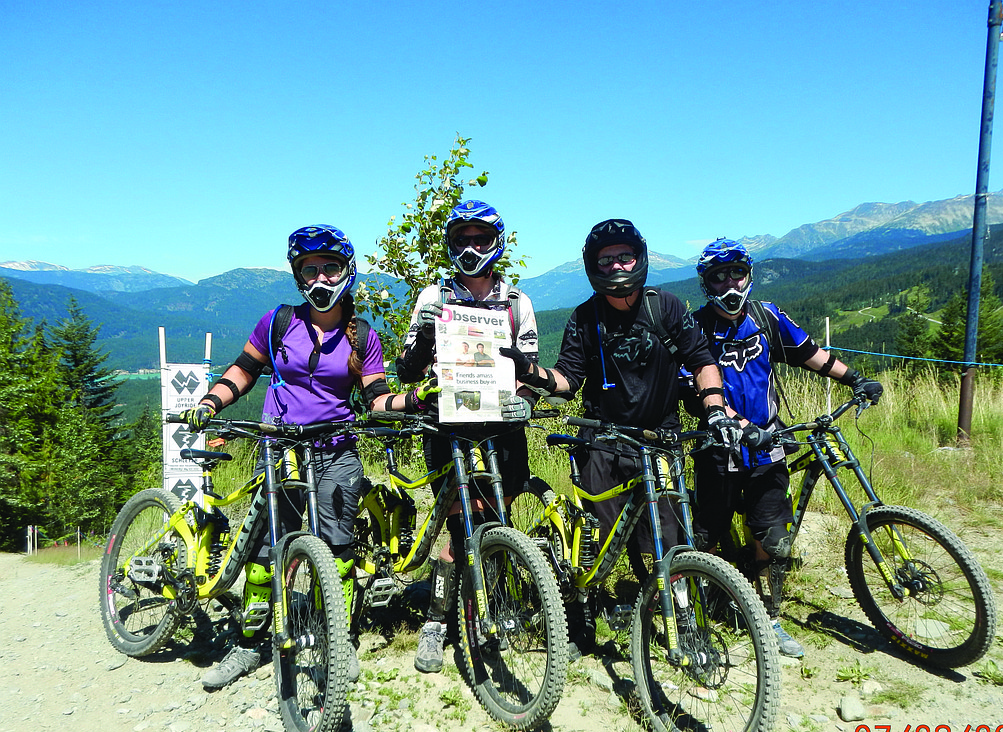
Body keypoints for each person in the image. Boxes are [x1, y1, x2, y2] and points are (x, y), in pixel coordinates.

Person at [180, 224, 421, 689]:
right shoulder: (278, 322)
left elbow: (376, 397)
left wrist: (416, 401)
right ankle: (249, 645)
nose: (320, 279)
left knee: (340, 550)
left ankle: (339, 640)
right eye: (309, 270)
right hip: (280, 445)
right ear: (297, 277)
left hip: (336, 449)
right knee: (268, 552)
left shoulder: (363, 335)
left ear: (347, 271)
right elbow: (245, 369)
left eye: (330, 268)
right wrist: (211, 402)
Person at [500, 218, 739, 657]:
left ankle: (684, 621)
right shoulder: (584, 317)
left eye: (623, 255)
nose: (616, 265)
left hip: (660, 441)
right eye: (605, 259)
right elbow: (569, 379)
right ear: (593, 265)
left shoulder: (665, 306)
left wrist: (716, 408)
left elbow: (703, 360)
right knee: (592, 542)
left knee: (672, 538)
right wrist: (529, 371)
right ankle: (579, 612)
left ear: (639, 257)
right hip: (602, 441)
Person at [687, 238, 884, 658]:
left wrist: (855, 380)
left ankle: (767, 614)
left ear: (749, 274)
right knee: (707, 533)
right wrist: (739, 425)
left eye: (736, 273)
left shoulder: (767, 315)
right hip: (718, 450)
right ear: (705, 283)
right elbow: (700, 394)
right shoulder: (694, 328)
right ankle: (695, 606)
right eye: (717, 277)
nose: (729, 284)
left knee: (773, 535)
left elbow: (811, 354)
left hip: (768, 445)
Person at [394, 199, 540, 674]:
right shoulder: (432, 296)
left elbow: (529, 370)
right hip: (448, 425)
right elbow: (406, 369)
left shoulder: (517, 303)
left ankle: (489, 607)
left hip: (502, 428)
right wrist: (424, 330)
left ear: (496, 243)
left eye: (480, 239)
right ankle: (437, 621)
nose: (472, 248)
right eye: (462, 240)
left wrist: (529, 402)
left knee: (497, 518)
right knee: (458, 522)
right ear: (450, 245)